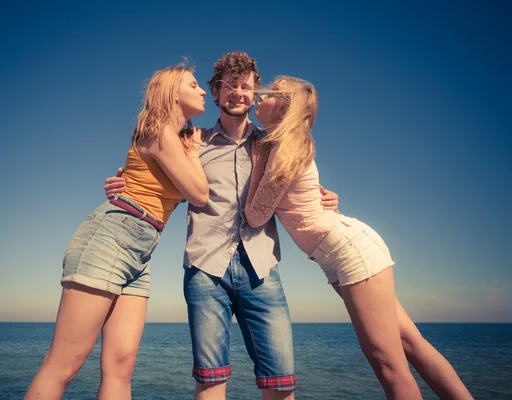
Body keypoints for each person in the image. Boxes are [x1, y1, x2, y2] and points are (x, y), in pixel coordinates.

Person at [104, 51, 339, 400]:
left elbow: (299, 193)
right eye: (229, 86)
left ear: (256, 93)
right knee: (210, 382)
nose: (238, 93)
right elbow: (152, 176)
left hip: (262, 270)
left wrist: (328, 200)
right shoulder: (190, 142)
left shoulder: (273, 144)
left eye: (246, 87)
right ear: (215, 93)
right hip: (204, 270)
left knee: (281, 383)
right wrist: (120, 184)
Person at [245, 76, 473, 400]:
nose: (257, 98)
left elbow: (256, 215)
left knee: (388, 365)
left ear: (282, 106)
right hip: (338, 252)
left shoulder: (283, 150)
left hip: (349, 250)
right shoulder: (287, 145)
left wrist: (256, 162)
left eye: (265, 94)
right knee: (410, 346)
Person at [24, 64, 208, 400]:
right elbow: (199, 194)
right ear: (171, 92)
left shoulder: (179, 140)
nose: (202, 91)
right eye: (194, 84)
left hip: (141, 249)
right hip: (113, 235)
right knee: (65, 364)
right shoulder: (158, 130)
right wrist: (194, 153)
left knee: (121, 365)